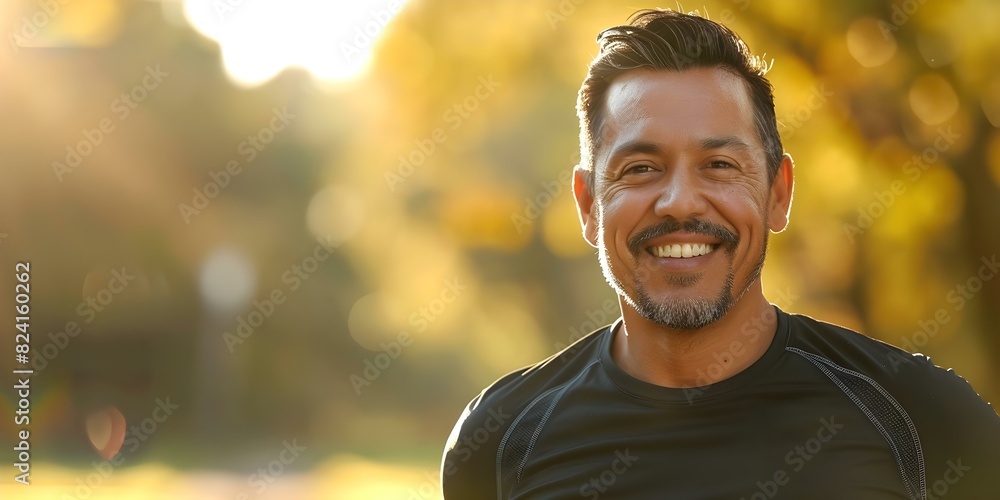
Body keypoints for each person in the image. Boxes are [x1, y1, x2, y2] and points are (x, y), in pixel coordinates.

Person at [440, 8, 1000, 499]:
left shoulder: (925, 420)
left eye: (719, 165)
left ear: (778, 193)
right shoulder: (500, 440)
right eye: (641, 168)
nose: (680, 201)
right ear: (588, 205)